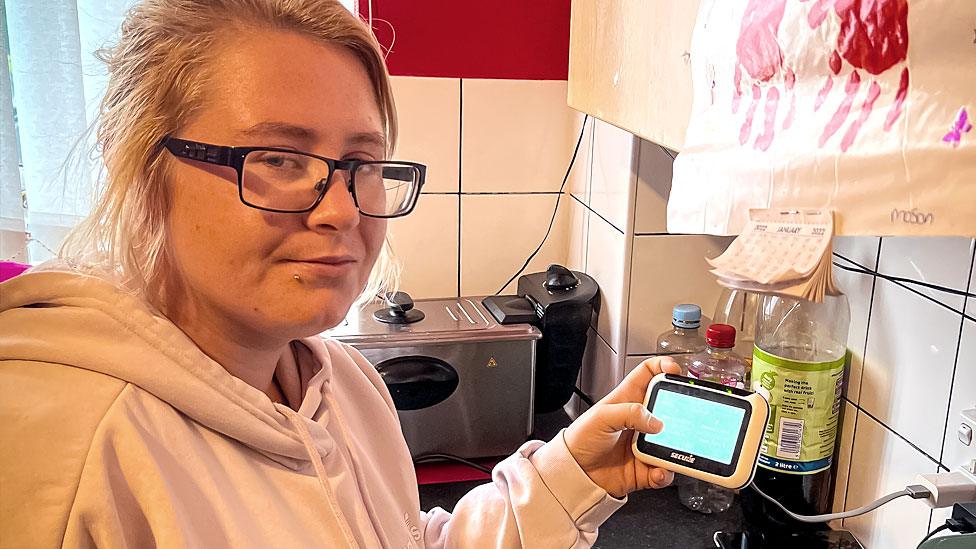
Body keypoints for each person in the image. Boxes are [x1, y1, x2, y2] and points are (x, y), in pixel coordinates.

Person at [0, 1, 680, 547]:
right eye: (279, 158)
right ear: (147, 169)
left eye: (362, 163)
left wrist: (568, 476)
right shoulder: (67, 453)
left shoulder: (342, 383)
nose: (339, 209)